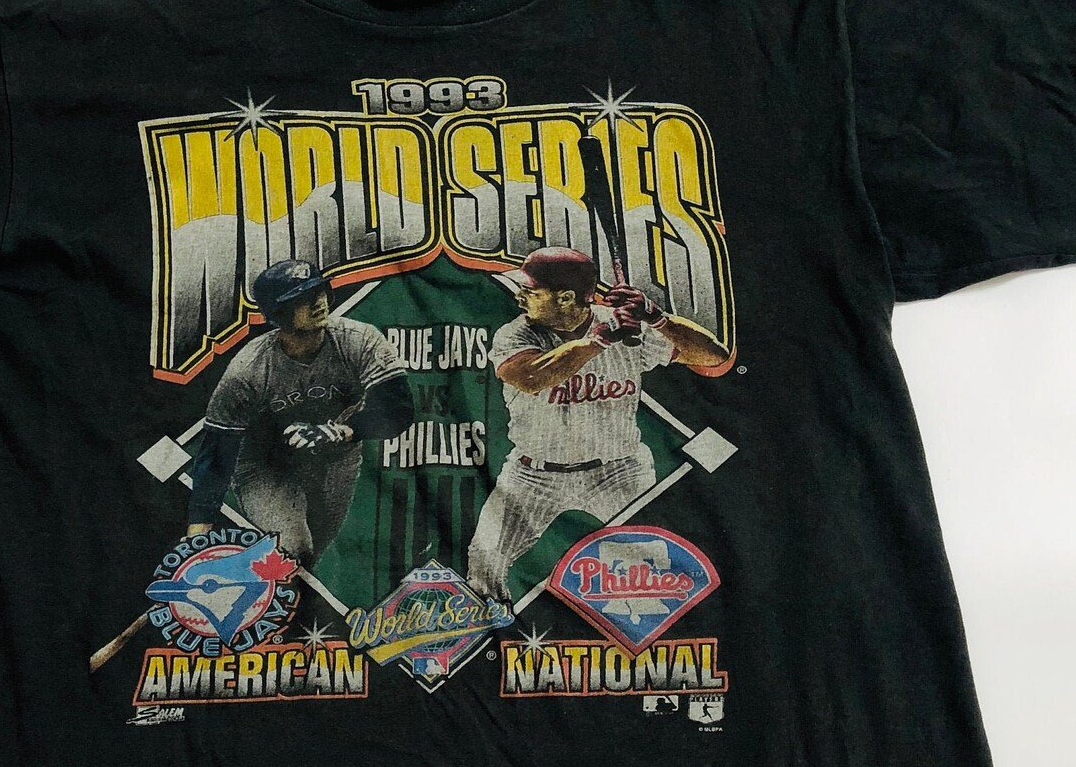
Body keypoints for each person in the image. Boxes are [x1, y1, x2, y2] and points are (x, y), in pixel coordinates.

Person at [466, 246, 733, 603]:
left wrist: (657, 318)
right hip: (533, 475)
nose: (520, 296)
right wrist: (599, 340)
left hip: (617, 470)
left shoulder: (624, 326)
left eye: (531, 290)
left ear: (565, 297)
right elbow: (531, 377)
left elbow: (713, 356)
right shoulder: (516, 334)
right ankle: (492, 627)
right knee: (484, 560)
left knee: (659, 560)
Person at [185, 258, 414, 566]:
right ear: (278, 313)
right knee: (293, 549)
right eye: (302, 298)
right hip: (267, 465)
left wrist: (341, 432)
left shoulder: (358, 339)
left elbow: (398, 409)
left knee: (310, 559)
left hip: (336, 458)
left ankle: (279, 594)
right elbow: (216, 453)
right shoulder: (249, 369)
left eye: (318, 291)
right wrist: (197, 536)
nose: (317, 302)